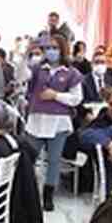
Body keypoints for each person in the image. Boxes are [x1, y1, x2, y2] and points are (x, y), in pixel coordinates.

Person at [24, 33, 84, 212]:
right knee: (29, 158)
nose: (51, 51)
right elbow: (21, 76)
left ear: (63, 50)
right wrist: (25, 54)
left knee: (54, 160)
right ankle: (26, 193)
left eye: (55, 47)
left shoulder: (71, 73)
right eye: (48, 47)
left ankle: (48, 195)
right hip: (36, 120)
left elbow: (76, 98)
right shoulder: (37, 68)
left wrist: (56, 96)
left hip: (59, 122)